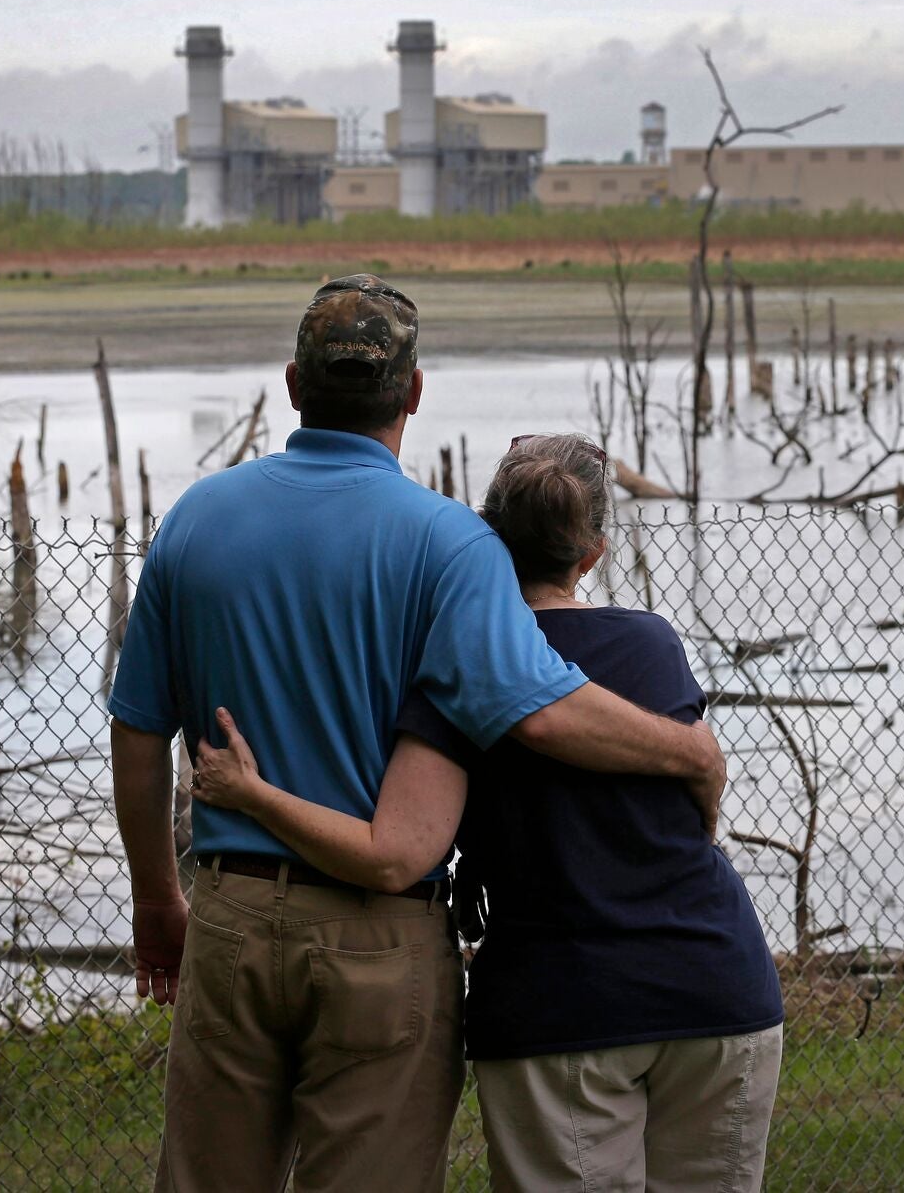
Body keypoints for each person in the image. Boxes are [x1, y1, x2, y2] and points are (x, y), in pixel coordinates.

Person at [108, 278, 726, 1193]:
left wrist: (159, 900)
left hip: (231, 918)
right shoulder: (448, 543)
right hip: (379, 937)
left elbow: (137, 730)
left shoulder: (196, 520)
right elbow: (546, 709)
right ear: (413, 392)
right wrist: (690, 752)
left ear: (292, 384)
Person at [194, 433, 784, 1193]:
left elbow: (394, 852)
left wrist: (254, 795)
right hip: (719, 986)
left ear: (486, 536)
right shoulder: (651, 644)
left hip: (563, 1008)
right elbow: (695, 782)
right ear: (594, 553)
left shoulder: (454, 665)